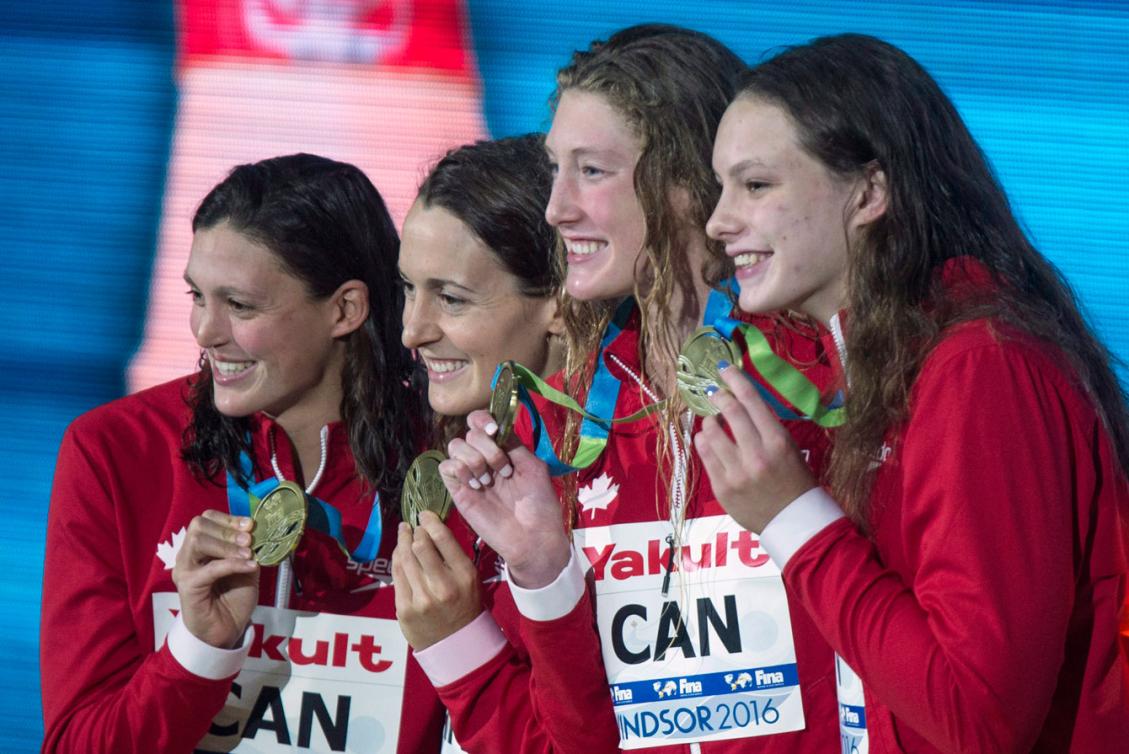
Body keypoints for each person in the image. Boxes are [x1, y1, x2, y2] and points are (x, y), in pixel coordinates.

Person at [698, 33, 1129, 753]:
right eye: (719, 187)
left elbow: (978, 717)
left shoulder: (979, 367)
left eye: (756, 185)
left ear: (869, 193)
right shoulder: (890, 368)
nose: (718, 221)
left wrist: (791, 519)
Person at [435, 25, 841, 752]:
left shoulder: (818, 387)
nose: (556, 207)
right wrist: (542, 575)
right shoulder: (550, 430)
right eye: (555, 169)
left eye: (591, 171)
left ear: (689, 182)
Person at [40, 154, 446, 753]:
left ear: (344, 309)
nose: (205, 330)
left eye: (241, 305)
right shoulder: (116, 451)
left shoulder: (447, 461)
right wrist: (199, 650)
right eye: (198, 296)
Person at [393, 134, 616, 754]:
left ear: (557, 301)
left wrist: (456, 642)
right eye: (408, 288)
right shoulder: (460, 460)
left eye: (452, 298)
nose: (412, 330)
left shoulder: (626, 477)